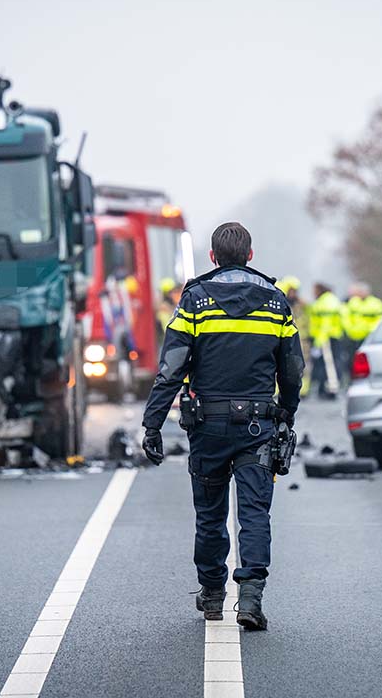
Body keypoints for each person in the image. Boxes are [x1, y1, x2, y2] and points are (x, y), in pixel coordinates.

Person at [141, 222, 303, 631]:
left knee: (210, 515)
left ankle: (213, 594)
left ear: (212, 257)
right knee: (254, 514)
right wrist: (288, 411)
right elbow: (293, 370)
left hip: (208, 428)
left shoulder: (196, 301)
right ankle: (250, 599)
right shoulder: (276, 303)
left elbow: (171, 370)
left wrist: (153, 424)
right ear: (251, 255)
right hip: (258, 427)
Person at [342, 282, 382, 381]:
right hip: (353, 337)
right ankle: (353, 380)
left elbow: (380, 319)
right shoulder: (352, 302)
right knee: (351, 361)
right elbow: (346, 317)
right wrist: (350, 329)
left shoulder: (376, 303)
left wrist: (372, 331)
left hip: (370, 337)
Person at [307, 283, 345, 398]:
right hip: (327, 337)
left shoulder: (326, 303)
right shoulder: (328, 300)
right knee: (327, 364)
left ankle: (330, 388)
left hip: (327, 338)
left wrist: (320, 340)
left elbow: (325, 324)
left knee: (329, 364)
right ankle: (325, 388)